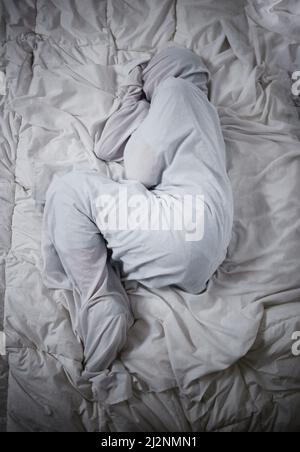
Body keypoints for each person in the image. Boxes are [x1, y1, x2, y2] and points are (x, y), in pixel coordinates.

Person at [41, 46, 233, 386]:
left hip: (180, 227)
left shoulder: (174, 92)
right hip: (208, 250)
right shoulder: (205, 114)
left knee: (68, 191)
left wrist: (133, 91)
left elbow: (129, 162)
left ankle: (101, 299)